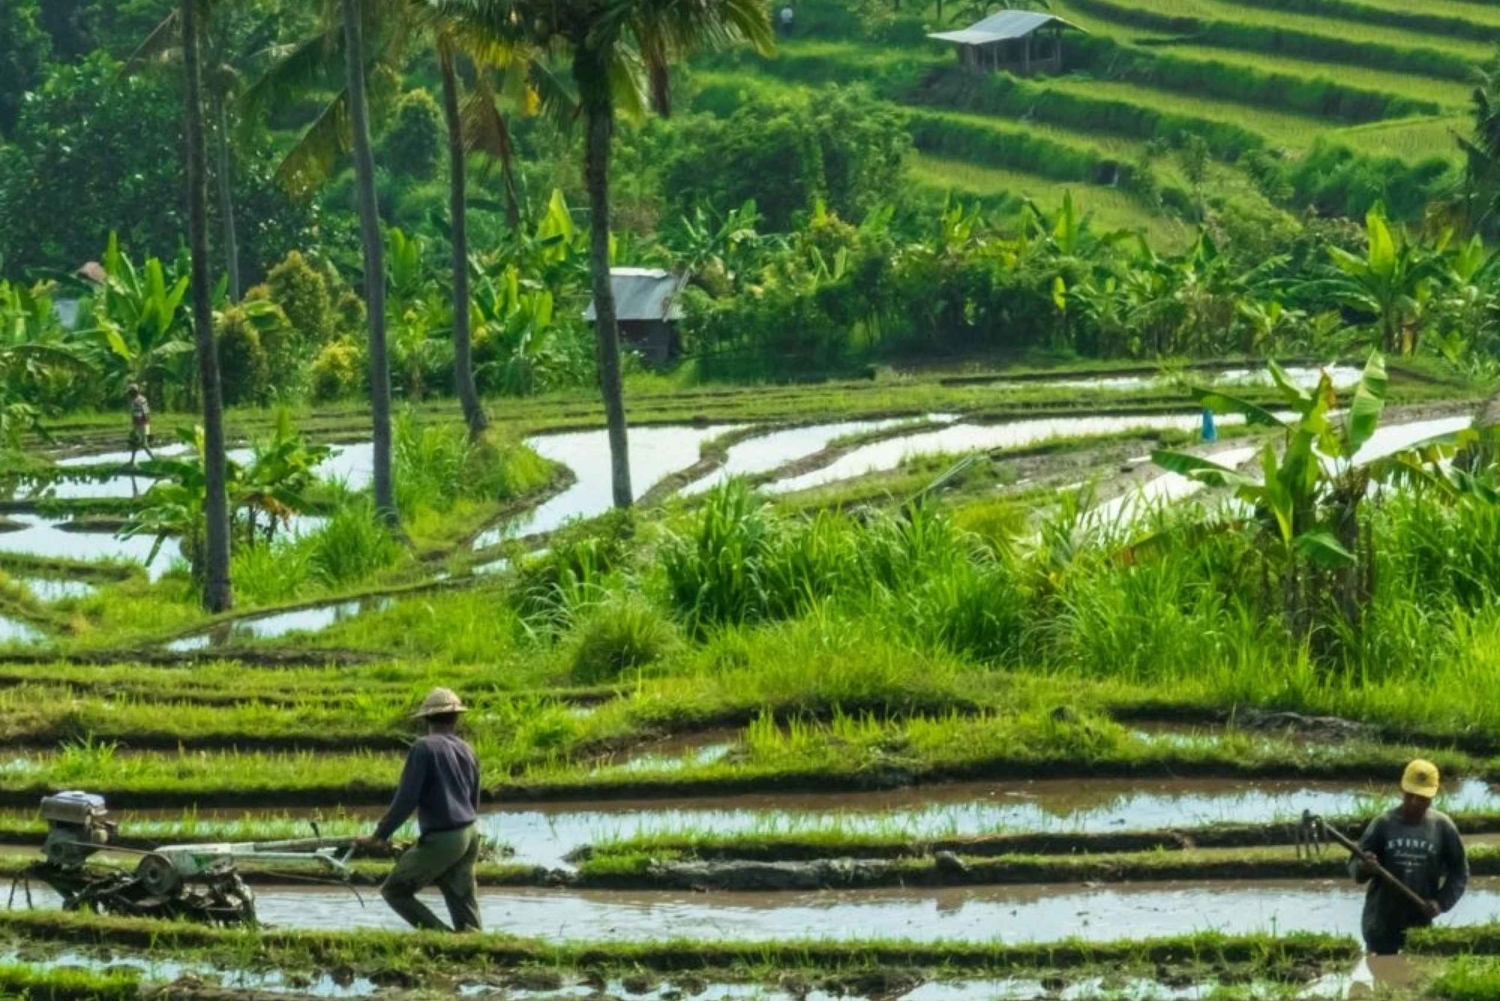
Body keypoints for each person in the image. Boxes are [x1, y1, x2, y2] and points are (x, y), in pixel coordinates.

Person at [357, 687, 482, 932]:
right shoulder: (467, 749)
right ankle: (475, 945)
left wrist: (380, 836)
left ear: (426, 719)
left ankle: (443, 939)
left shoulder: (423, 748)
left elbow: (407, 799)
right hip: (470, 834)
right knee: (462, 899)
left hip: (444, 838)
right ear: (456, 718)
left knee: (395, 891)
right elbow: (473, 798)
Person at [1348, 758, 1467, 955]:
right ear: (1402, 789)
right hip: (1381, 924)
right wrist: (1365, 866)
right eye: (1410, 795)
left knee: (1418, 970)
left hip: (1420, 922)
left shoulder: (1442, 827)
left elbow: (1459, 872)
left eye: (1422, 797)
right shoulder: (1383, 824)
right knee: (1384, 970)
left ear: (1433, 795)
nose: (1414, 802)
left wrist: (1441, 902)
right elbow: (1355, 869)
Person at [127, 384, 154, 466]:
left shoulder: (137, 401)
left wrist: (137, 428)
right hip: (142, 424)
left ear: (133, 392)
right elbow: (147, 413)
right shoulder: (141, 399)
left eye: (130, 392)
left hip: (141, 425)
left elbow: (140, 415)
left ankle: (154, 459)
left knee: (144, 445)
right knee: (134, 443)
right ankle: (132, 461)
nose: (129, 394)